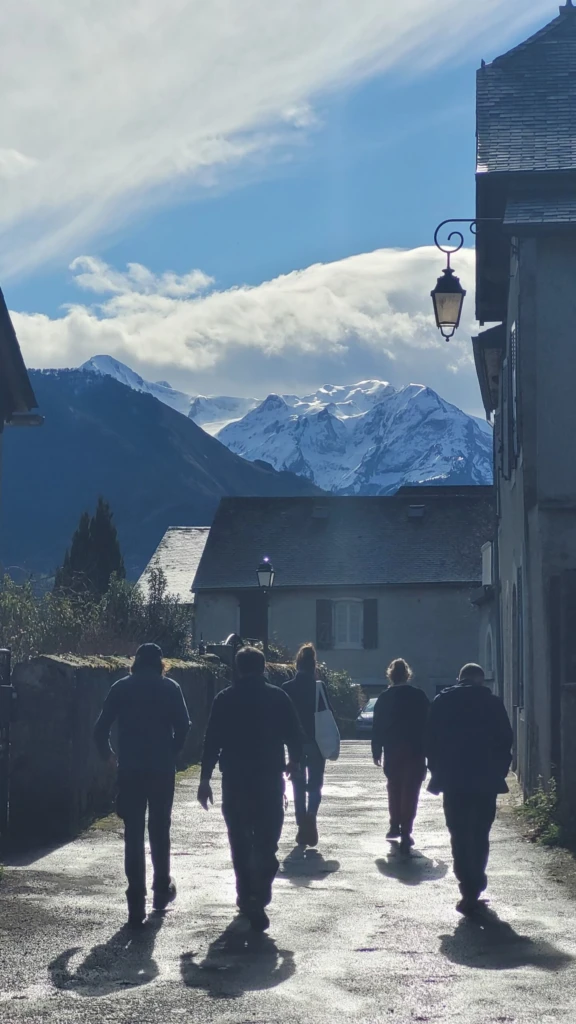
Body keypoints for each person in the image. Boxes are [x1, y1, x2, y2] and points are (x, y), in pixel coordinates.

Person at [197, 646, 303, 932]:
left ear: (238, 667)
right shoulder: (278, 697)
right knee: (267, 840)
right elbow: (295, 735)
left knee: (240, 841)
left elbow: (212, 741)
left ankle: (247, 896)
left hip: (236, 781)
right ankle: (260, 890)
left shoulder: (225, 698)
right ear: (264, 666)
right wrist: (293, 762)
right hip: (269, 780)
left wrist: (205, 779)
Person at [94, 643, 191, 927]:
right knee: (160, 828)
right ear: (160, 663)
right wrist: (172, 752)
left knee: (133, 833)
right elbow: (184, 726)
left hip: (131, 769)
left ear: (135, 662)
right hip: (162, 769)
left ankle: (135, 899)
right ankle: (161, 887)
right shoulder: (170, 687)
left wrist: (109, 756)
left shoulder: (121, 687)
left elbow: (100, 728)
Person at [427, 663, 513, 915]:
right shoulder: (493, 703)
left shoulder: (442, 702)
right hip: (486, 778)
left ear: (459, 679)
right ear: (481, 681)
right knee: (480, 832)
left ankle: (467, 884)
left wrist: (436, 769)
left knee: (459, 831)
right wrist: (500, 769)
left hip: (454, 778)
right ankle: (476, 880)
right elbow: (505, 738)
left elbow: (430, 739)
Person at [371, 658, 430, 853]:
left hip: (392, 748)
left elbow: (377, 725)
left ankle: (394, 823)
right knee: (411, 789)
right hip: (415, 749)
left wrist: (376, 750)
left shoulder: (384, 698)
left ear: (390, 675)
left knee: (394, 786)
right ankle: (406, 829)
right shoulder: (418, 696)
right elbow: (429, 723)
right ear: (407, 674)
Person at [283, 643, 331, 848]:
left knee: (298, 785)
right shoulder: (319, 687)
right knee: (316, 784)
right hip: (317, 742)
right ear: (314, 665)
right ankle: (311, 816)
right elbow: (328, 713)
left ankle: (302, 824)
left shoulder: (287, 688)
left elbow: (282, 719)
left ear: (297, 664)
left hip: (296, 745)